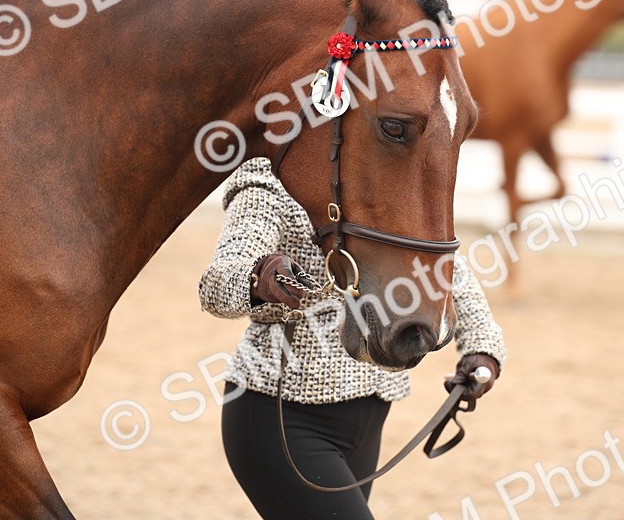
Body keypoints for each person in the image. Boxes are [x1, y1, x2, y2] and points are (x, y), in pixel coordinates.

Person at [199, 157, 506, 520]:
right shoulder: (269, 179)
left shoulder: (385, 175)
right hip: (279, 415)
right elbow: (216, 283)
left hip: (369, 412)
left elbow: (441, 262)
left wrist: (482, 346)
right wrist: (256, 278)